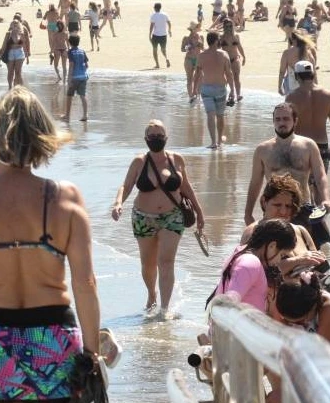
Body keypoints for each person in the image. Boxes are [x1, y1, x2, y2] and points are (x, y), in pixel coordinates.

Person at [0, 86, 100, 403]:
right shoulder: (65, 198)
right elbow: (85, 283)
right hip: (53, 341)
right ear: (42, 137)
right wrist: (92, 355)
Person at [112, 120, 205, 315]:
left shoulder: (176, 159)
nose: (156, 139)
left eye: (160, 136)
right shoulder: (139, 162)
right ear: (146, 139)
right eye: (152, 136)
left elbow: (185, 186)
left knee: (166, 262)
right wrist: (118, 202)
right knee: (148, 264)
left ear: (166, 138)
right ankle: (151, 294)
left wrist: (199, 211)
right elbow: (126, 186)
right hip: (143, 218)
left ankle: (164, 309)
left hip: (173, 217)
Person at [245, 103, 330, 253]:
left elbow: (320, 175)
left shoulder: (308, 145)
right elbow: (255, 183)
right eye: (277, 119)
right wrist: (248, 212)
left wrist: (325, 199)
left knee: (313, 251)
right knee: (272, 253)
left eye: (285, 119)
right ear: (273, 122)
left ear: (295, 121)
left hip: (302, 208)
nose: (281, 123)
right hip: (274, 210)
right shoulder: (262, 150)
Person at [211, 219, 296, 314]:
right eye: (282, 255)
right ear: (272, 246)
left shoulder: (240, 250)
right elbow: (230, 300)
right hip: (237, 327)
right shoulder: (251, 262)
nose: (279, 260)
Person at [193, 31, 234, 149]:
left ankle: (213, 142)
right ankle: (220, 142)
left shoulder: (201, 55)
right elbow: (229, 74)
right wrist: (233, 90)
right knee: (220, 115)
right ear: (216, 41)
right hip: (220, 88)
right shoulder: (224, 54)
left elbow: (197, 74)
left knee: (210, 115)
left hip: (206, 89)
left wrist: (194, 89)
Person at [287, 61, 330, 172]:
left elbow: (287, 125)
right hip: (321, 146)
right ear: (313, 74)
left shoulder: (291, 97)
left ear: (297, 76)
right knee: (320, 184)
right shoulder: (327, 95)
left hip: (300, 145)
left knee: (299, 186)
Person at [276, 273, 330, 340]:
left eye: (300, 321)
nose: (297, 324)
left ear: (313, 307)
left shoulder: (327, 309)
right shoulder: (290, 302)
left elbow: (319, 347)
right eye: (290, 321)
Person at [219, 19, 246, 105]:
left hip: (235, 59)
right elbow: (217, 49)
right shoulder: (221, 37)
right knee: (226, 79)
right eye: (227, 26)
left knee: (236, 77)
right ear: (224, 27)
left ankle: (238, 95)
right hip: (225, 60)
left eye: (231, 26)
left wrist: (244, 56)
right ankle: (228, 95)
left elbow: (240, 47)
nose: (229, 28)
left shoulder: (236, 36)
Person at [0, 19, 30, 89]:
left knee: (18, 72)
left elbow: (24, 45)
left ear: (19, 25)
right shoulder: (8, 34)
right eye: (13, 23)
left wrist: (27, 57)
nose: (15, 25)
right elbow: (4, 45)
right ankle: (10, 87)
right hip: (10, 53)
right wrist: (0, 58)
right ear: (11, 25)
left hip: (20, 53)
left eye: (16, 23)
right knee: (10, 72)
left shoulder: (21, 33)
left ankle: (19, 88)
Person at [65, 34, 89, 122]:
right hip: (83, 76)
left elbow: (71, 65)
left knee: (69, 96)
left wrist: (69, 78)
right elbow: (86, 65)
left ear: (69, 42)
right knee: (83, 95)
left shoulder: (70, 52)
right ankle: (85, 114)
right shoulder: (82, 51)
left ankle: (67, 116)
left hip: (75, 77)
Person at [181, 21, 204, 102]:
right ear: (193, 29)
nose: (198, 28)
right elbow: (182, 49)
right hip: (189, 59)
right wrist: (187, 47)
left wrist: (200, 45)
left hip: (198, 59)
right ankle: (191, 96)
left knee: (200, 77)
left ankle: (198, 95)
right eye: (197, 27)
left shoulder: (201, 37)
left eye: (198, 27)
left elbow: (203, 49)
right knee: (189, 78)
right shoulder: (186, 38)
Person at [149, 3, 171, 68]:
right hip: (164, 35)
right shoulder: (165, 15)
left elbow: (151, 26)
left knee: (155, 50)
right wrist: (169, 30)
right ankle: (166, 58)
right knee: (163, 49)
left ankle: (157, 64)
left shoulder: (153, 16)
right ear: (160, 8)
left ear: (155, 8)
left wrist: (149, 35)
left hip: (155, 35)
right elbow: (169, 23)